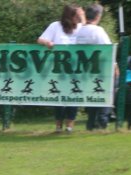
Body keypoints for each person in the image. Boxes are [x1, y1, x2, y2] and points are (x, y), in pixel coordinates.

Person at [38, 5, 85, 133]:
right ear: (69, 16)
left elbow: (89, 33)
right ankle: (58, 125)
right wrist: (47, 43)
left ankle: (70, 125)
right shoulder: (55, 26)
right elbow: (40, 39)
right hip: (58, 69)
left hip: (76, 69)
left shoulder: (81, 27)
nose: (78, 18)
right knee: (58, 97)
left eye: (79, 16)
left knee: (74, 96)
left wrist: (83, 18)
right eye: (76, 16)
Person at [76, 4, 114, 130]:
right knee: (106, 93)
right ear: (98, 16)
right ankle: (102, 121)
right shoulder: (97, 31)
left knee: (92, 95)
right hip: (100, 69)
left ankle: (91, 123)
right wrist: (115, 66)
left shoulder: (80, 31)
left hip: (85, 70)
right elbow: (108, 50)